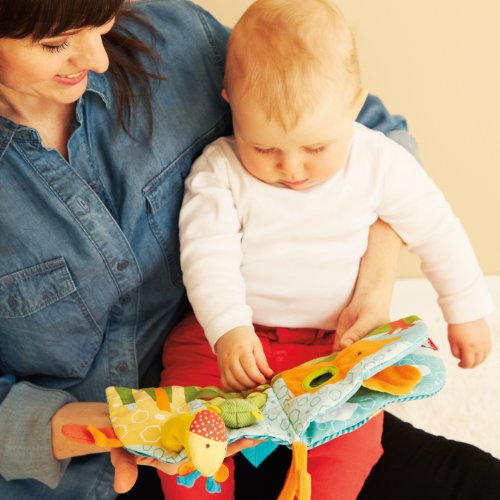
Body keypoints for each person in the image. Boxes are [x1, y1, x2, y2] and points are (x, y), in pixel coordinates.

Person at [0, 1, 496, 499]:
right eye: (54, 43)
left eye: (102, 23)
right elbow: (209, 256)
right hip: (131, 433)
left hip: (316, 362)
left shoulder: (176, 37)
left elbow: (373, 136)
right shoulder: (221, 171)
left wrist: (381, 286)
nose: (99, 59)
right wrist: (82, 427)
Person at [159, 0, 494, 498]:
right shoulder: (220, 170)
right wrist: (228, 330)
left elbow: (436, 229)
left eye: (316, 148)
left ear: (355, 107)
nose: (291, 168)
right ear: (230, 104)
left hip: (334, 346)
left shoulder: (378, 161)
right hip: (227, 340)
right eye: (264, 148)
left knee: (352, 443)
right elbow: (208, 257)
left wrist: (465, 310)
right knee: (183, 426)